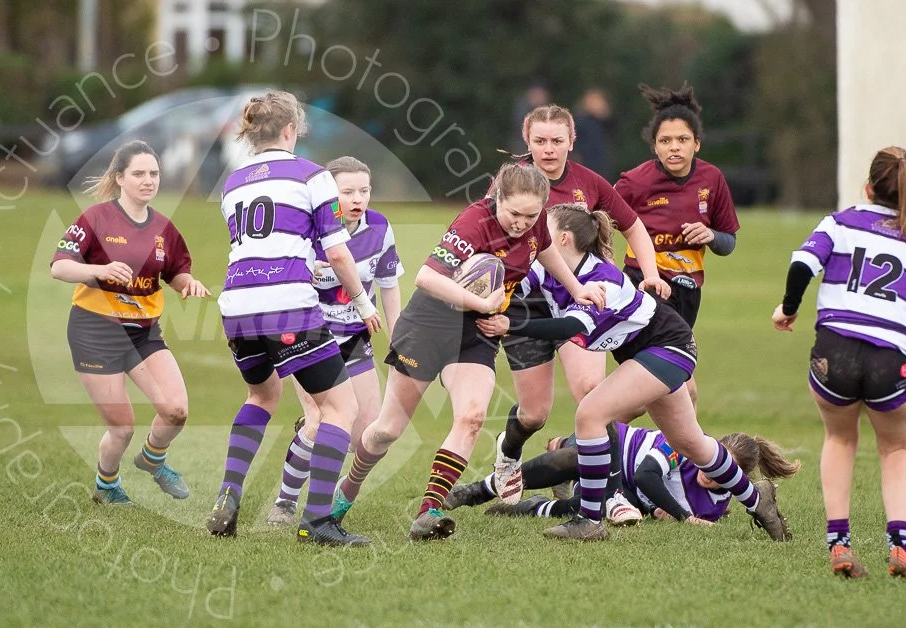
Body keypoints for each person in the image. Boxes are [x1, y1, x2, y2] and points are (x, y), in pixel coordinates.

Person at [334, 164, 607, 541]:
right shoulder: (473, 222)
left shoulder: (537, 222)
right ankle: (346, 491)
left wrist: (577, 289)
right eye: (514, 214)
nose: (521, 224)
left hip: (475, 331)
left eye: (531, 216)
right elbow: (426, 278)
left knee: (472, 417)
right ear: (497, 200)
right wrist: (477, 300)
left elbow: (544, 250)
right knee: (387, 430)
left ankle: (428, 511)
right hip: (429, 325)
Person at [495, 204, 788, 542]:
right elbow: (510, 281)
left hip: (668, 346)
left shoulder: (602, 277)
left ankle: (589, 521)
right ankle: (757, 499)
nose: (536, 235)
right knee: (690, 442)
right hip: (646, 353)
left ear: (562, 238)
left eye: (543, 228)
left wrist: (512, 323)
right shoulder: (550, 271)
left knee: (590, 414)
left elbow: (572, 325)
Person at [772, 147, 906, 580]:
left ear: (867, 187)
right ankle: (899, 546)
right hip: (892, 359)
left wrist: (789, 307)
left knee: (840, 440)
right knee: (896, 449)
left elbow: (803, 262)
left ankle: (839, 543)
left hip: (835, 350)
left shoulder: (839, 223)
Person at [206, 90, 382, 547]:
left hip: (236, 305)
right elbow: (338, 252)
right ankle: (319, 521)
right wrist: (363, 303)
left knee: (261, 398)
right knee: (342, 408)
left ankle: (228, 494)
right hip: (286, 303)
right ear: (291, 131)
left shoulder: (233, 182)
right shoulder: (313, 175)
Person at [487, 104, 672, 510]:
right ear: (527, 141)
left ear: (572, 140)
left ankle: (610, 495)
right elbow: (488, 234)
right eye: (540, 141)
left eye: (557, 141)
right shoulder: (511, 182)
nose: (548, 150)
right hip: (528, 305)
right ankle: (511, 449)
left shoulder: (590, 182)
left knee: (595, 395)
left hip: (582, 302)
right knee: (534, 413)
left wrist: (651, 272)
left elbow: (634, 225)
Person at [50, 140, 208, 505]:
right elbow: (59, 267)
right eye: (138, 173)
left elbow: (177, 273)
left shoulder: (164, 229)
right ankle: (107, 485)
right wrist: (100, 269)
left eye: (153, 173)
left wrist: (190, 285)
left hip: (143, 333)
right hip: (95, 332)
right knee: (121, 429)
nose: (148, 180)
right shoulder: (94, 219)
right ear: (119, 177)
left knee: (176, 410)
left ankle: (153, 459)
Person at [265, 156, 402, 527]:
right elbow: (279, 281)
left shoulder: (379, 227)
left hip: (356, 338)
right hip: (310, 336)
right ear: (329, 193)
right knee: (321, 421)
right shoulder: (309, 228)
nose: (358, 198)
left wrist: (399, 336)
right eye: (347, 191)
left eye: (364, 190)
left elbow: (388, 286)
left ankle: (335, 490)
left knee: (370, 434)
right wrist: (306, 271)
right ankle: (285, 501)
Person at [614, 84, 740, 405]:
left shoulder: (712, 180)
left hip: (687, 292)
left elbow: (729, 242)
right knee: (683, 387)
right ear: (654, 147)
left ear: (696, 144)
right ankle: (678, 454)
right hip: (645, 287)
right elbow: (599, 220)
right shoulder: (635, 182)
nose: (674, 148)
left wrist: (711, 236)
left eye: (682, 140)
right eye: (665, 141)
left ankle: (583, 442)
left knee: (647, 399)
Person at [451, 423, 800, 529]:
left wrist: (659, 510)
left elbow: (649, 500)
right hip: (617, 447)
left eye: (724, 471)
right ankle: (476, 491)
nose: (710, 471)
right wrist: (683, 517)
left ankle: (527, 508)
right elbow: (648, 476)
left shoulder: (717, 505)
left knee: (584, 506)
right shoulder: (686, 446)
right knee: (581, 457)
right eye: (714, 460)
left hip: (626, 491)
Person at [572, 88, 616, 181]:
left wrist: (604, 114)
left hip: (601, 164)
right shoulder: (580, 120)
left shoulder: (602, 122)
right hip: (585, 163)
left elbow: (613, 130)